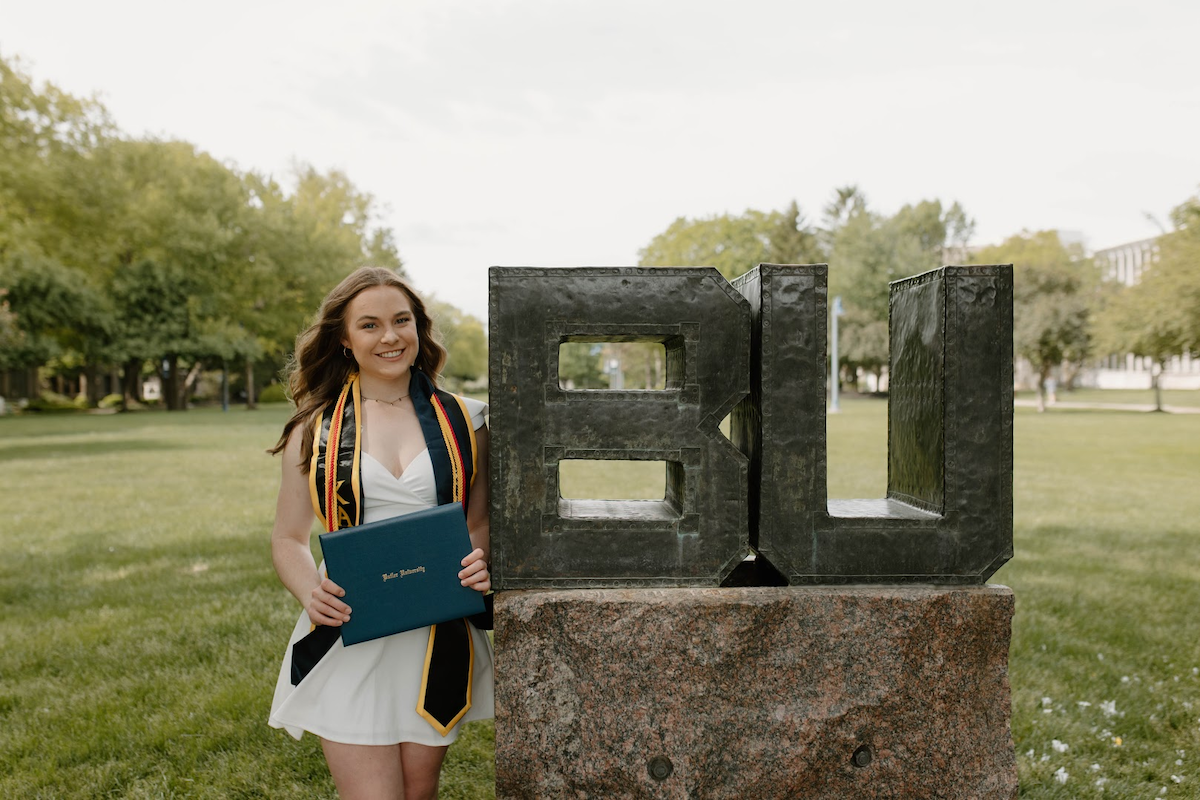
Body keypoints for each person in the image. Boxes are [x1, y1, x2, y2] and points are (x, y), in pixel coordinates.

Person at [266, 266, 493, 799]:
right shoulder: (315, 428)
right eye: (369, 325)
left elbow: (477, 522)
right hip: (350, 626)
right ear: (344, 340)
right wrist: (309, 590)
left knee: (419, 793)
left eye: (401, 321)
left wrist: (480, 557)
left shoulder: (468, 419)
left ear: (419, 328)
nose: (390, 336)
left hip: (434, 631)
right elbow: (288, 537)